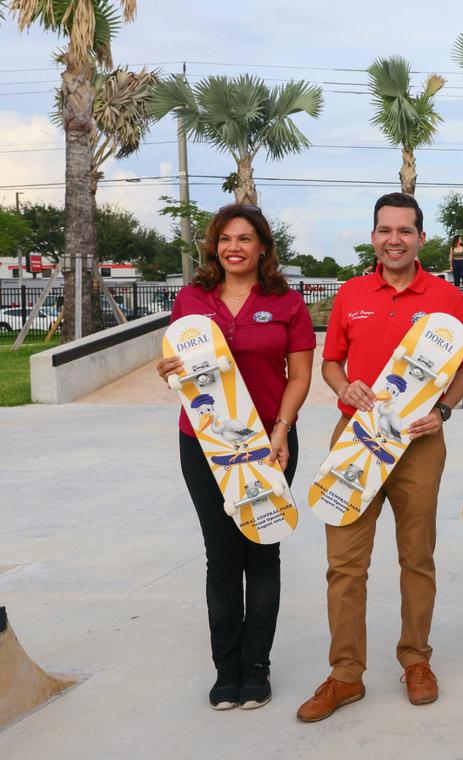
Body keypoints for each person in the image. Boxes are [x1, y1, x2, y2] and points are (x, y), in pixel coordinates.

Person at [295, 192, 463, 722]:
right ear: (373, 237)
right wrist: (345, 386)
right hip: (356, 443)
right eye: (384, 230)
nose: (394, 239)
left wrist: (442, 410)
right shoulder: (352, 293)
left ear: (422, 238)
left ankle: (416, 661)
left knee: (416, 557)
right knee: (344, 565)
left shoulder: (446, 296)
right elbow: (331, 363)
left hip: (420, 444)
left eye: (405, 230)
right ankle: (345, 675)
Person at [155, 203, 316, 711]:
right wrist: (169, 369)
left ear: (263, 246)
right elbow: (182, 368)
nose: (234, 248)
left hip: (270, 443)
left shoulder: (287, 302)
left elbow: (300, 375)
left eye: (245, 238)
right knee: (222, 557)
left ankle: (256, 667)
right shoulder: (192, 299)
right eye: (225, 239)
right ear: (214, 245)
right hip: (204, 445)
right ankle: (227, 670)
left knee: (262, 549)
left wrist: (282, 430)